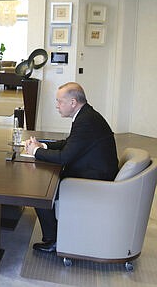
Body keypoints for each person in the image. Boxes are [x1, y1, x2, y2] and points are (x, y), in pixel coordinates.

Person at [24, 82, 119, 253]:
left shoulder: (86, 121)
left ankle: (53, 240)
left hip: (94, 180)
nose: (57, 105)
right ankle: (58, 233)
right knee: (46, 181)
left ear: (73, 102)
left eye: (60, 101)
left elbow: (64, 157)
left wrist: (35, 151)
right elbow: (69, 144)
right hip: (92, 170)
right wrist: (43, 145)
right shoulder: (86, 115)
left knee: (40, 191)